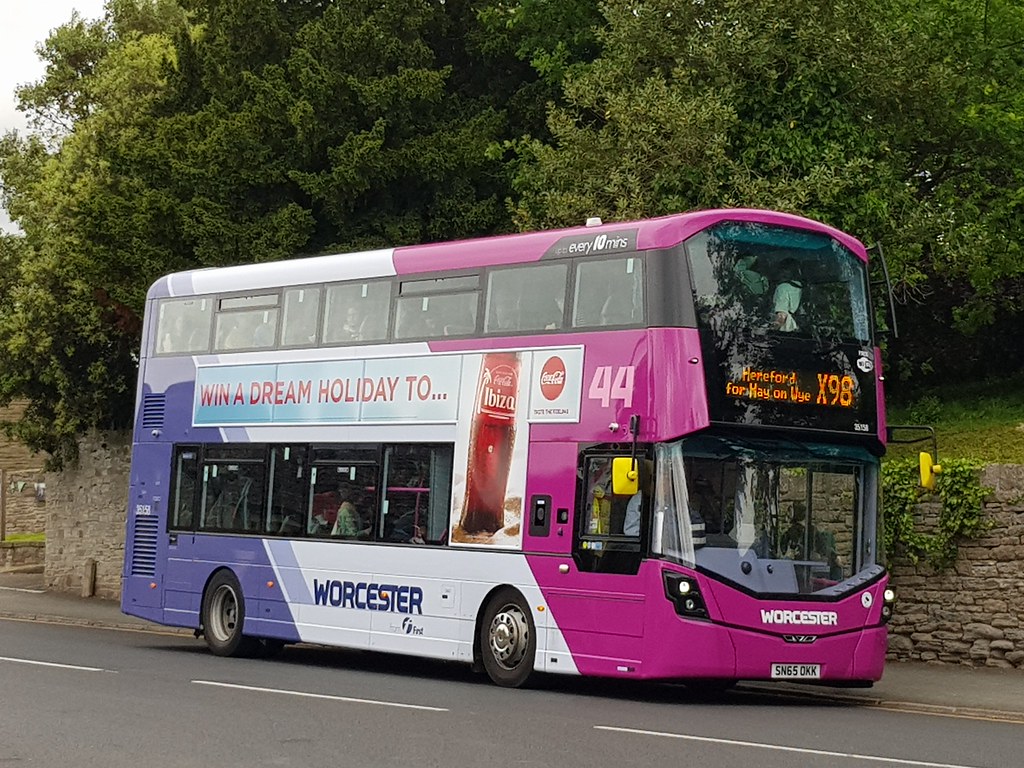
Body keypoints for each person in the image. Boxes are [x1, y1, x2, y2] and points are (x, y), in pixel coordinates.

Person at [772, 258, 803, 332]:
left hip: (786, 332)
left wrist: (771, 331)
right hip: (801, 331)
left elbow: (781, 316)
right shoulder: (802, 287)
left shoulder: (783, 288)